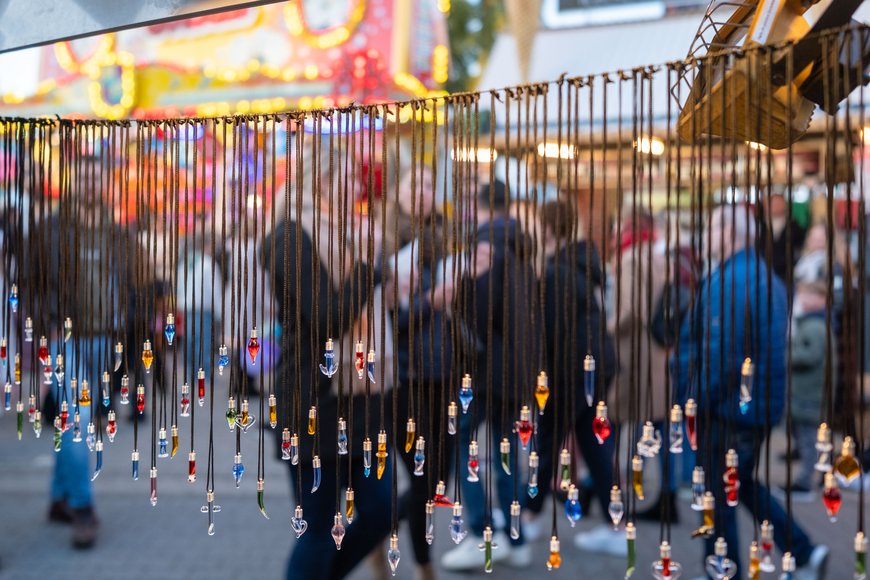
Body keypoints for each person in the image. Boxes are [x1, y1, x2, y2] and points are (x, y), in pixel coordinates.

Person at [674, 205, 828, 578]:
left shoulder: (733, 281)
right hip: (752, 407)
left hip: (728, 409)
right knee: (738, 483)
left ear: (729, 233)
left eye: (711, 228)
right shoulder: (759, 276)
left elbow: (721, 356)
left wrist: (693, 403)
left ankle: (726, 570)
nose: (705, 236)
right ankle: (804, 550)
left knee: (718, 495)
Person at [263, 142, 392, 580]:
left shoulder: (345, 232)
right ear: (323, 180)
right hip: (312, 399)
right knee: (318, 529)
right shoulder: (288, 237)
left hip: (360, 395)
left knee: (381, 506)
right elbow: (328, 318)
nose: (358, 187)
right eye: (350, 178)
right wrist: (368, 268)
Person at [440, 179, 534, 571]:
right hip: (518, 366)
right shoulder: (523, 245)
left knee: (466, 445)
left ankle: (479, 533)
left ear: (479, 206)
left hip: (481, 367)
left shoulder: (483, 247)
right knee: (507, 449)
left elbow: (476, 311)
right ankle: (516, 537)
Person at [526, 200, 618, 553]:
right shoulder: (583, 263)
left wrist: (540, 377)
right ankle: (615, 522)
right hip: (593, 363)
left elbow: (550, 331)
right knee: (592, 441)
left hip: (572, 369)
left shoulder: (557, 272)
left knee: (549, 440)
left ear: (547, 229)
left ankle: (530, 517)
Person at [388, 166, 453, 580]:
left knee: (437, 476)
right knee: (420, 471)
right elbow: (388, 319)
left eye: (430, 184)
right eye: (416, 183)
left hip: (444, 372)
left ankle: (381, 528)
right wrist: (431, 299)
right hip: (404, 376)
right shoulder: (387, 241)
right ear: (398, 191)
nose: (424, 191)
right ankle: (424, 566)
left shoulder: (444, 239)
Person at [781, 251, 834, 500]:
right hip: (806, 393)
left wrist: (787, 353)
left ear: (818, 299)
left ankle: (807, 480)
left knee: (808, 439)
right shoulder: (813, 324)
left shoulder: (814, 326)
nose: (799, 299)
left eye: (804, 295)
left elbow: (810, 356)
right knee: (805, 436)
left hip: (808, 394)